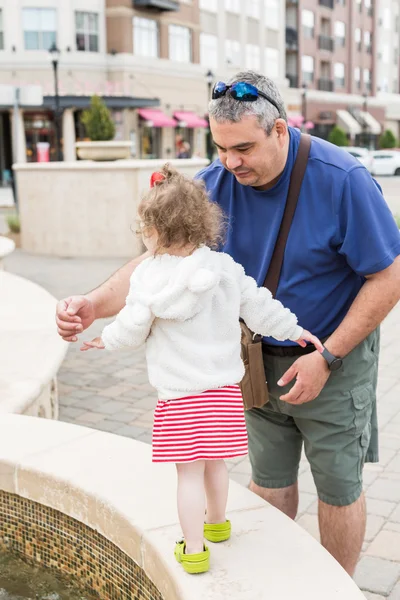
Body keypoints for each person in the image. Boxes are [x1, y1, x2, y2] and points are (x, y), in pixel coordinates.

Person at [56, 71, 400, 576]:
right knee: (269, 480)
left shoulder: (342, 178)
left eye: (243, 148)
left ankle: (339, 588)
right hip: (253, 363)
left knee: (338, 489)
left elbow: (389, 277)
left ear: (280, 131)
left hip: (332, 358)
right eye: (220, 148)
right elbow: (156, 263)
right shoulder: (212, 184)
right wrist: (93, 303)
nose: (229, 162)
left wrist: (326, 357)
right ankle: (273, 580)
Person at [78, 164, 322, 574]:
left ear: (153, 229)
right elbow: (261, 307)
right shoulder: (224, 269)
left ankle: (193, 550)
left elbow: (132, 327)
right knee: (216, 464)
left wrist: (107, 339)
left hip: (178, 396)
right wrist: (295, 331)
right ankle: (218, 525)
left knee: (187, 476)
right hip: (223, 392)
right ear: (201, 222)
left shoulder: (149, 278)